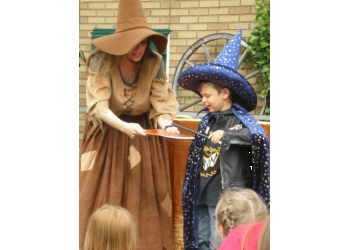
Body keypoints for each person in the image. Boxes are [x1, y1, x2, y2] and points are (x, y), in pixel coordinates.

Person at [79, 0, 179, 249]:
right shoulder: (101, 61)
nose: (139, 49)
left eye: (143, 42)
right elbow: (99, 108)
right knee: (97, 192)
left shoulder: (154, 62)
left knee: (144, 193)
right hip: (107, 134)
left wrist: (166, 125)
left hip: (143, 135)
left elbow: (160, 104)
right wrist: (124, 127)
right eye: (133, 43)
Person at [177, 29, 270, 250]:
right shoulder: (206, 121)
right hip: (202, 195)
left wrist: (228, 135)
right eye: (202, 96)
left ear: (225, 93)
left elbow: (258, 137)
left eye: (207, 95)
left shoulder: (240, 120)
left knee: (220, 244)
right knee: (202, 242)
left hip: (223, 200)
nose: (204, 100)